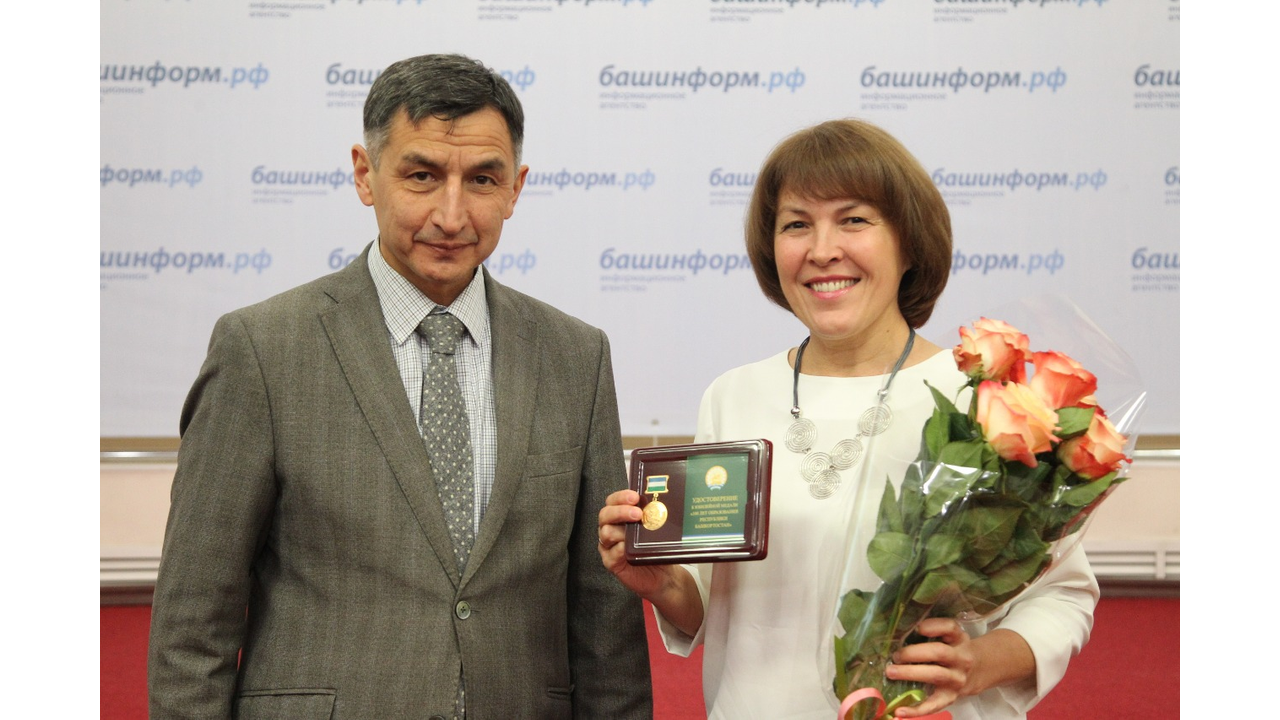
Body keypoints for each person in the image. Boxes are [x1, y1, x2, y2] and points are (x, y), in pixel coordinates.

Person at [148, 53, 653, 720]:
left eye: (482, 179)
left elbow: (605, 622)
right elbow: (194, 619)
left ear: (516, 188)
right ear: (366, 174)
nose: (452, 214)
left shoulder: (575, 357)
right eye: (422, 176)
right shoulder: (262, 349)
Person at [598, 119, 1097, 720]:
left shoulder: (980, 400)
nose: (822, 249)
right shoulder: (734, 396)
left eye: (854, 220)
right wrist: (659, 581)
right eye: (796, 225)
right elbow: (709, 601)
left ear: (909, 242)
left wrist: (978, 662)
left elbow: (1062, 595)